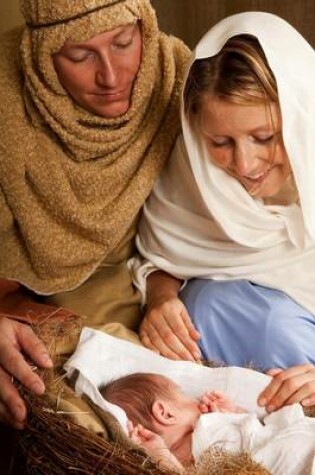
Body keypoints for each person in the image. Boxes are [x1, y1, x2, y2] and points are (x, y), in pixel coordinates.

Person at [0, 0, 191, 430]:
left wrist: (166, 289)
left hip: (170, 276)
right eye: (80, 55)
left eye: (123, 43)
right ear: (43, 57)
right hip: (40, 301)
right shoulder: (6, 98)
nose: (110, 76)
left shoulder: (177, 76)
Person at [134, 13, 315, 379]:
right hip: (243, 398)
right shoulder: (191, 175)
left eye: (264, 137)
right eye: (220, 142)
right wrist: (161, 298)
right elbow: (164, 258)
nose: (245, 164)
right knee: (209, 304)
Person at [100, 372, 315, 474]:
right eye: (183, 395)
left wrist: (233, 412)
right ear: (165, 414)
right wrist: (162, 457)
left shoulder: (210, 426)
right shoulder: (183, 452)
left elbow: (254, 429)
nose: (197, 400)